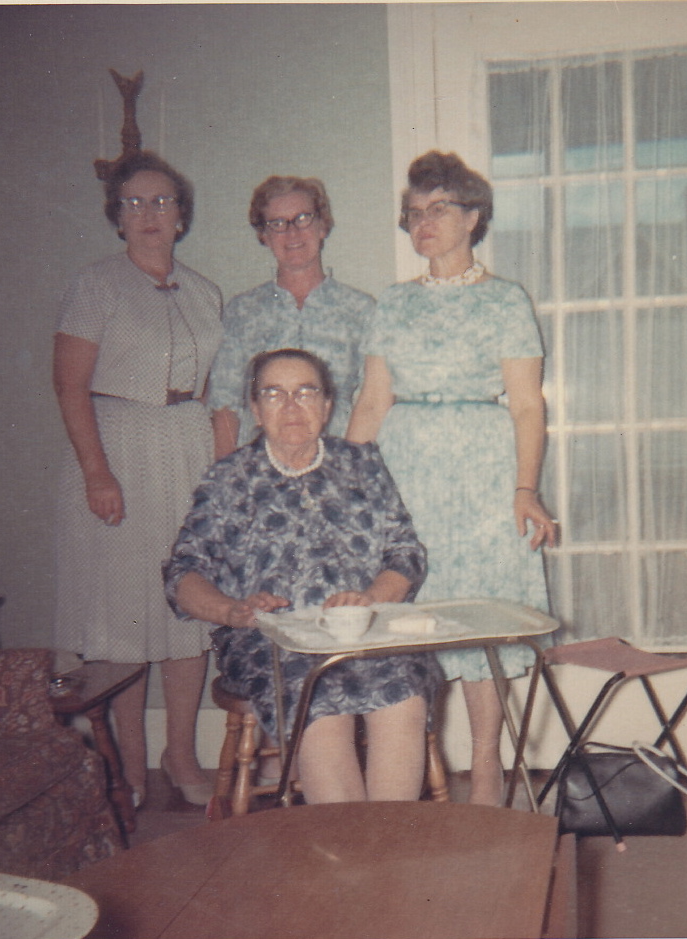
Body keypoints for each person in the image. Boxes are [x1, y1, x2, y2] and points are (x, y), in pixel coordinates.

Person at [347, 151, 558, 807]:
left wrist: (524, 488)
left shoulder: (505, 300)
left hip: (483, 475)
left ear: (473, 217)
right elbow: (371, 402)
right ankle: (414, 767)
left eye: (438, 208)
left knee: (479, 619)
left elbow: (527, 406)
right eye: (414, 212)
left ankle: (487, 765)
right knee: (410, 618)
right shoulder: (394, 302)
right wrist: (342, 489)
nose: (423, 222)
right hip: (405, 471)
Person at [165, 349, 442, 804]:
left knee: (404, 694)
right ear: (255, 409)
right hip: (274, 640)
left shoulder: (361, 464)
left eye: (306, 392)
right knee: (318, 702)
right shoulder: (229, 479)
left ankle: (388, 839)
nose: (292, 406)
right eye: (274, 394)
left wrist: (371, 598)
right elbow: (182, 573)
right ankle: (349, 841)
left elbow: (405, 552)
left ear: (327, 405)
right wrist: (232, 611)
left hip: (366, 630)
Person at [53, 151, 223, 807]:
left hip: (187, 444)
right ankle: (128, 763)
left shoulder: (204, 292)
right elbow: (69, 385)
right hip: (119, 447)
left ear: (181, 216)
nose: (149, 214)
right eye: (134, 203)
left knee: (188, 602)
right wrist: (97, 471)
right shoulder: (95, 285)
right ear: (116, 217)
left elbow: (212, 387)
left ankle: (180, 755)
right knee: (124, 610)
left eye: (162, 202)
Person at [209, 176, 373, 459]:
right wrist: (225, 472)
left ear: (322, 226)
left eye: (303, 219)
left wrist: (350, 469)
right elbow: (225, 403)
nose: (292, 232)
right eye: (278, 223)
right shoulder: (242, 311)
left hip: (337, 462)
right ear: (264, 235)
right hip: (261, 466)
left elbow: (370, 402)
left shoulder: (360, 310)